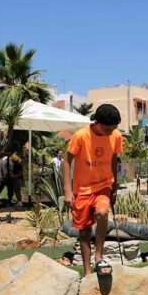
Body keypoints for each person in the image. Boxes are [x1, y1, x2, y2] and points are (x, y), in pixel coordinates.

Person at [62, 103, 124, 277]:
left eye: (114, 129)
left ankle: (98, 256)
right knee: (84, 232)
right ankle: (88, 272)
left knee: (102, 213)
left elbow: (113, 159)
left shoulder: (116, 135)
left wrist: (114, 185)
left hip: (104, 184)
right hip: (82, 189)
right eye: (108, 129)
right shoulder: (80, 136)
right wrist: (67, 190)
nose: (112, 132)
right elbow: (66, 161)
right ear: (97, 123)